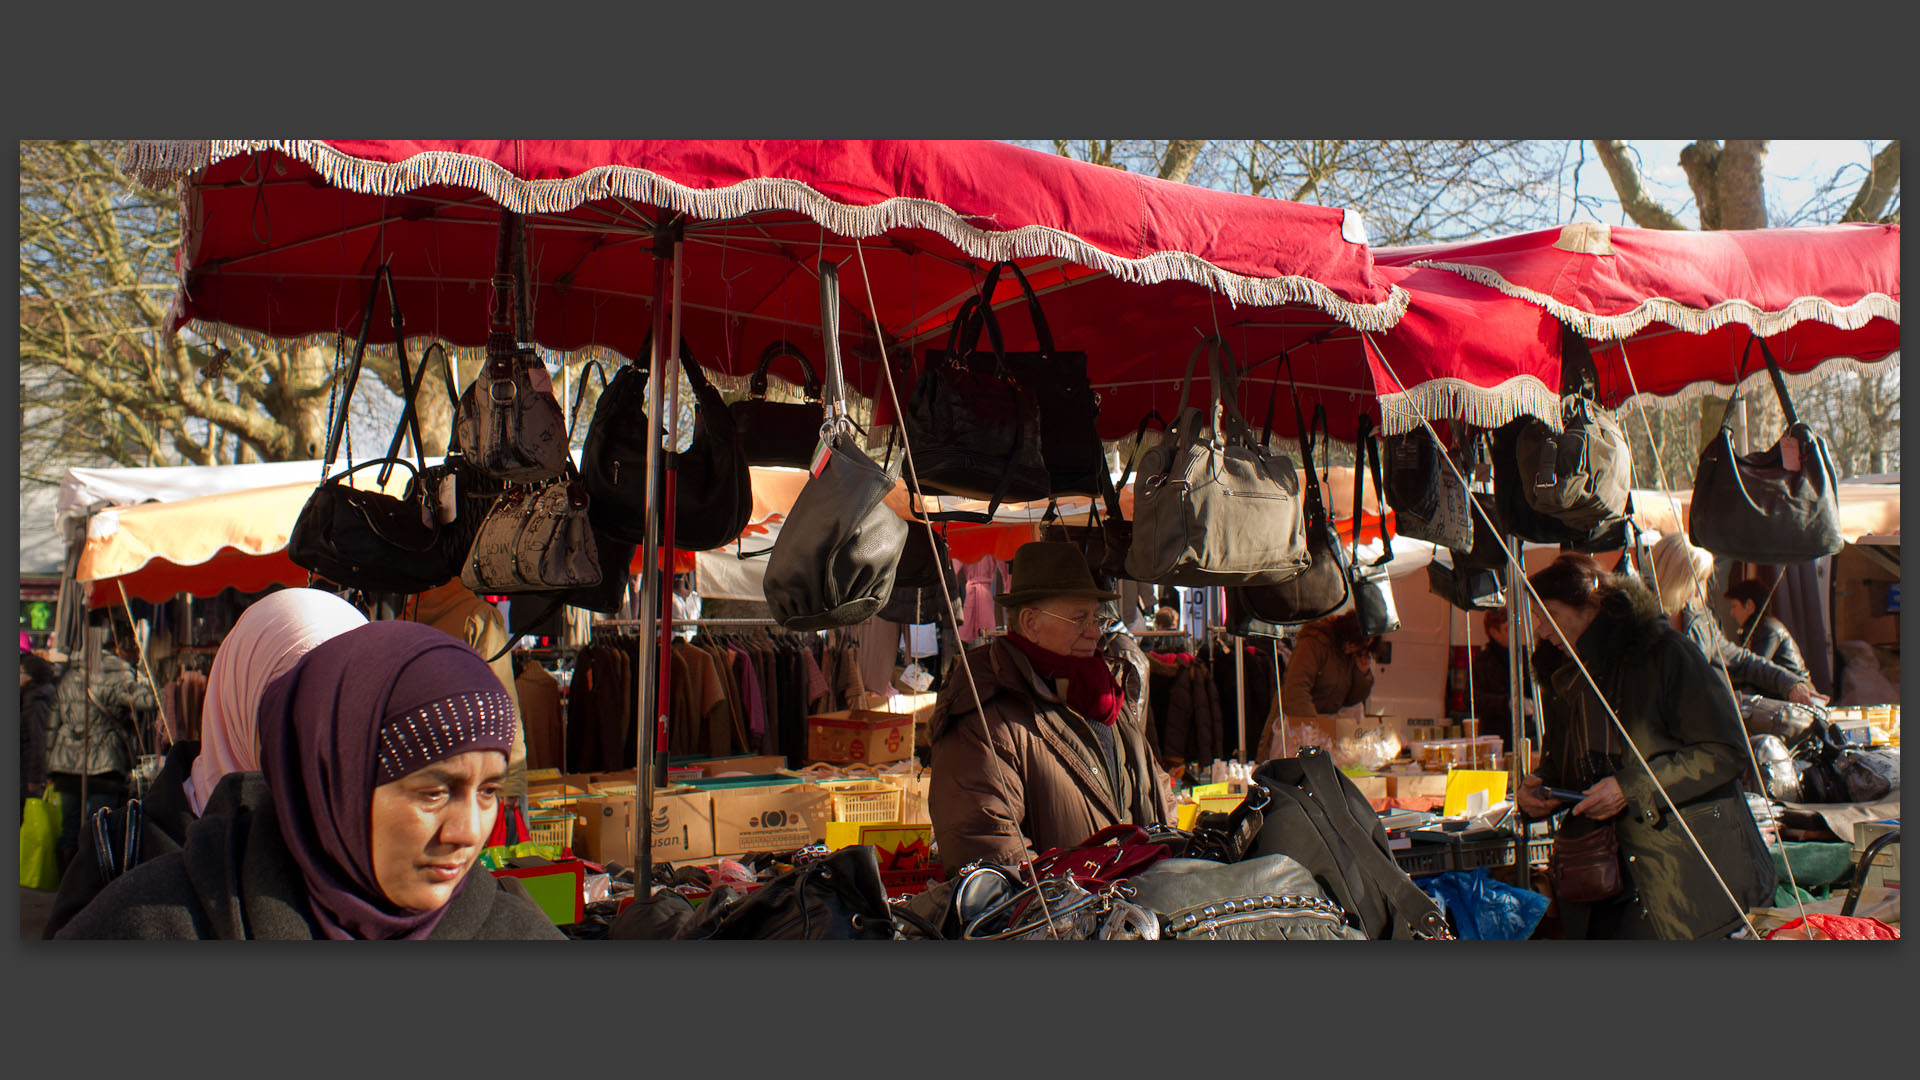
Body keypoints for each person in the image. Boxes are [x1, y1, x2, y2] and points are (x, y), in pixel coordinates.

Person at [56, 621, 563, 939]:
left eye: (489, 792)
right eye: (433, 791)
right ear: (330, 779)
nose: (468, 831)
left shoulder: (513, 930)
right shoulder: (152, 923)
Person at [42, 588, 368, 938]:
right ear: (241, 690)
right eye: (294, 695)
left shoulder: (378, 838)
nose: (321, 724)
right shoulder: (123, 845)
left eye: (347, 699)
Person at [1516, 553, 1775, 940]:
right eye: (1536, 617)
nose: (1541, 630)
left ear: (1590, 604)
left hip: (1680, 874)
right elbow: (1569, 763)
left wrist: (1630, 788)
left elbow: (1725, 750)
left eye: (1548, 614)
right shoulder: (1562, 673)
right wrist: (1541, 789)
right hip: (1598, 874)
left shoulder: (1664, 653)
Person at [927, 542, 1172, 875]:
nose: (1094, 632)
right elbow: (990, 850)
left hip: (1132, 915)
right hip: (1059, 921)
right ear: (1030, 622)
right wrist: (1076, 911)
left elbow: (1155, 789)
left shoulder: (1107, 694)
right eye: (1079, 618)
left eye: (1096, 618)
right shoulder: (985, 715)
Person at [1650, 534, 1821, 707]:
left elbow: (1740, 661)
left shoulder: (1700, 619)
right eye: (1695, 580)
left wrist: (1789, 683)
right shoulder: (1638, 618)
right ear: (1674, 577)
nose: (1697, 592)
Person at [44, 615, 156, 871]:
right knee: (99, 825)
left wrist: (48, 765)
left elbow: (54, 722)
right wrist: (145, 679)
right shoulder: (117, 672)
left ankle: (67, 883)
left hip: (66, 763)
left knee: (70, 826)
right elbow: (148, 702)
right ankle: (91, 882)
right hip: (105, 762)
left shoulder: (69, 674)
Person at [1280, 611, 1378, 719]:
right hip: (1296, 722)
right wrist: (1311, 726)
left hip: (1322, 723)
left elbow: (1351, 701)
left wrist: (1362, 674)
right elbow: (1296, 689)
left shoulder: (1350, 655)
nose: (1354, 648)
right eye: (1355, 644)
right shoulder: (1313, 644)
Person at [1723, 578, 1812, 692]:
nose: (1732, 613)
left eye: (1734, 606)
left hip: (1797, 692)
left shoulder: (1768, 629)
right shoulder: (1753, 630)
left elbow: (1755, 671)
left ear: (1749, 605)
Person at [1468, 608, 1517, 749]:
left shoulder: (1523, 656)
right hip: (1495, 735)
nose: (1514, 634)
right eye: (1508, 629)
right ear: (1494, 633)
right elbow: (1471, 698)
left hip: (1525, 731)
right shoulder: (1484, 661)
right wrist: (1506, 703)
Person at [20, 650, 57, 807]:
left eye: (21, 672)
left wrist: (35, 777)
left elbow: (38, 740)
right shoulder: (29, 696)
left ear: (31, 676)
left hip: (26, 773)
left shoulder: (35, 700)